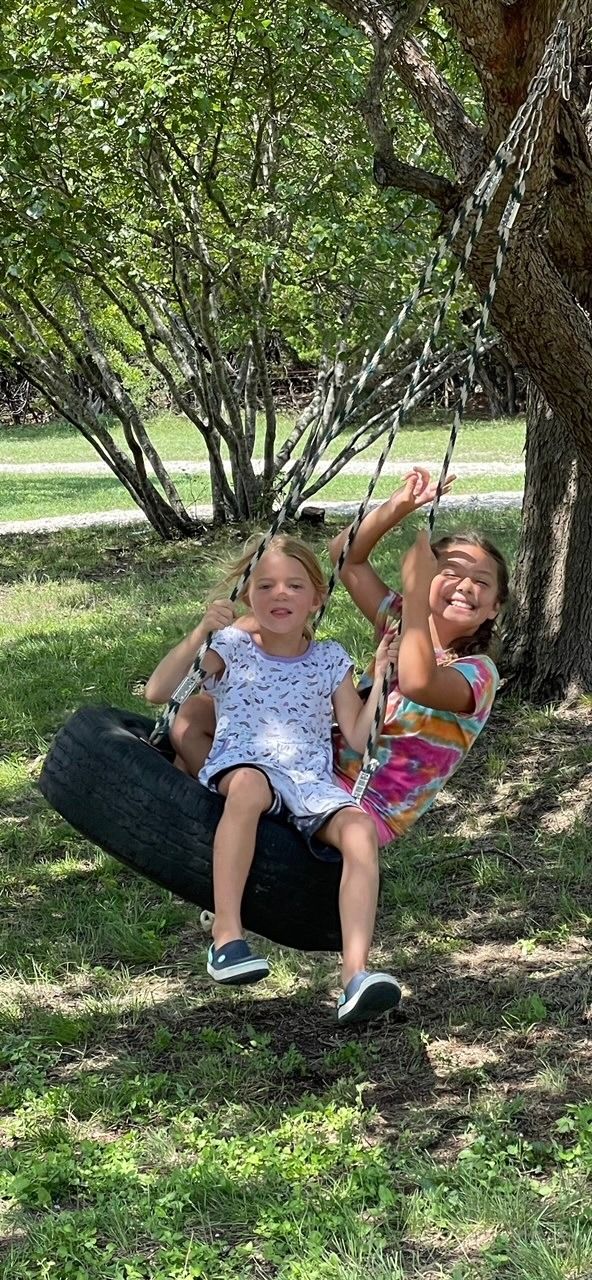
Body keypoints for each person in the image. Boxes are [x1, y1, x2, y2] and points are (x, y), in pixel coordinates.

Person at [145, 534, 401, 1027]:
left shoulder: (330, 659)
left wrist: (382, 676)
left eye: (294, 585)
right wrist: (200, 633)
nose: (279, 594)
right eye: (265, 586)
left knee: (360, 829)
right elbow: (159, 691)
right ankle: (226, 936)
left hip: (307, 780)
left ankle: (355, 975)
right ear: (247, 596)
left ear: (317, 598)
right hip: (245, 762)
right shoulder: (231, 647)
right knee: (248, 787)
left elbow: (356, 734)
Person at [327, 467, 510, 844]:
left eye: (481, 582)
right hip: (318, 768)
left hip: (365, 807)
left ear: (495, 606)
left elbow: (416, 681)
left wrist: (415, 592)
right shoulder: (402, 619)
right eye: (451, 572)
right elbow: (344, 558)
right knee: (203, 718)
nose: (465, 586)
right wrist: (400, 504)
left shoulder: (478, 673)